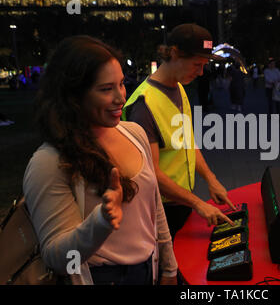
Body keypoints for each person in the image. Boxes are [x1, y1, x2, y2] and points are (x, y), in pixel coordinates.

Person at [23, 35, 177, 285]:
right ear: (73, 96)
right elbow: (56, 257)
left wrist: (169, 267)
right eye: (106, 89)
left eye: (121, 84)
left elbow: (155, 209)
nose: (121, 98)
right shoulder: (49, 162)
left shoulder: (134, 133)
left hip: (148, 269)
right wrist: (100, 222)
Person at [122, 23, 236, 239]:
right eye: (196, 64)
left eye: (204, 65)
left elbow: (187, 142)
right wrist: (198, 203)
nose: (201, 72)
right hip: (159, 210)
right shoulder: (144, 105)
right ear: (174, 54)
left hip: (182, 200)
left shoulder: (179, 87)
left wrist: (210, 179)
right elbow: (151, 173)